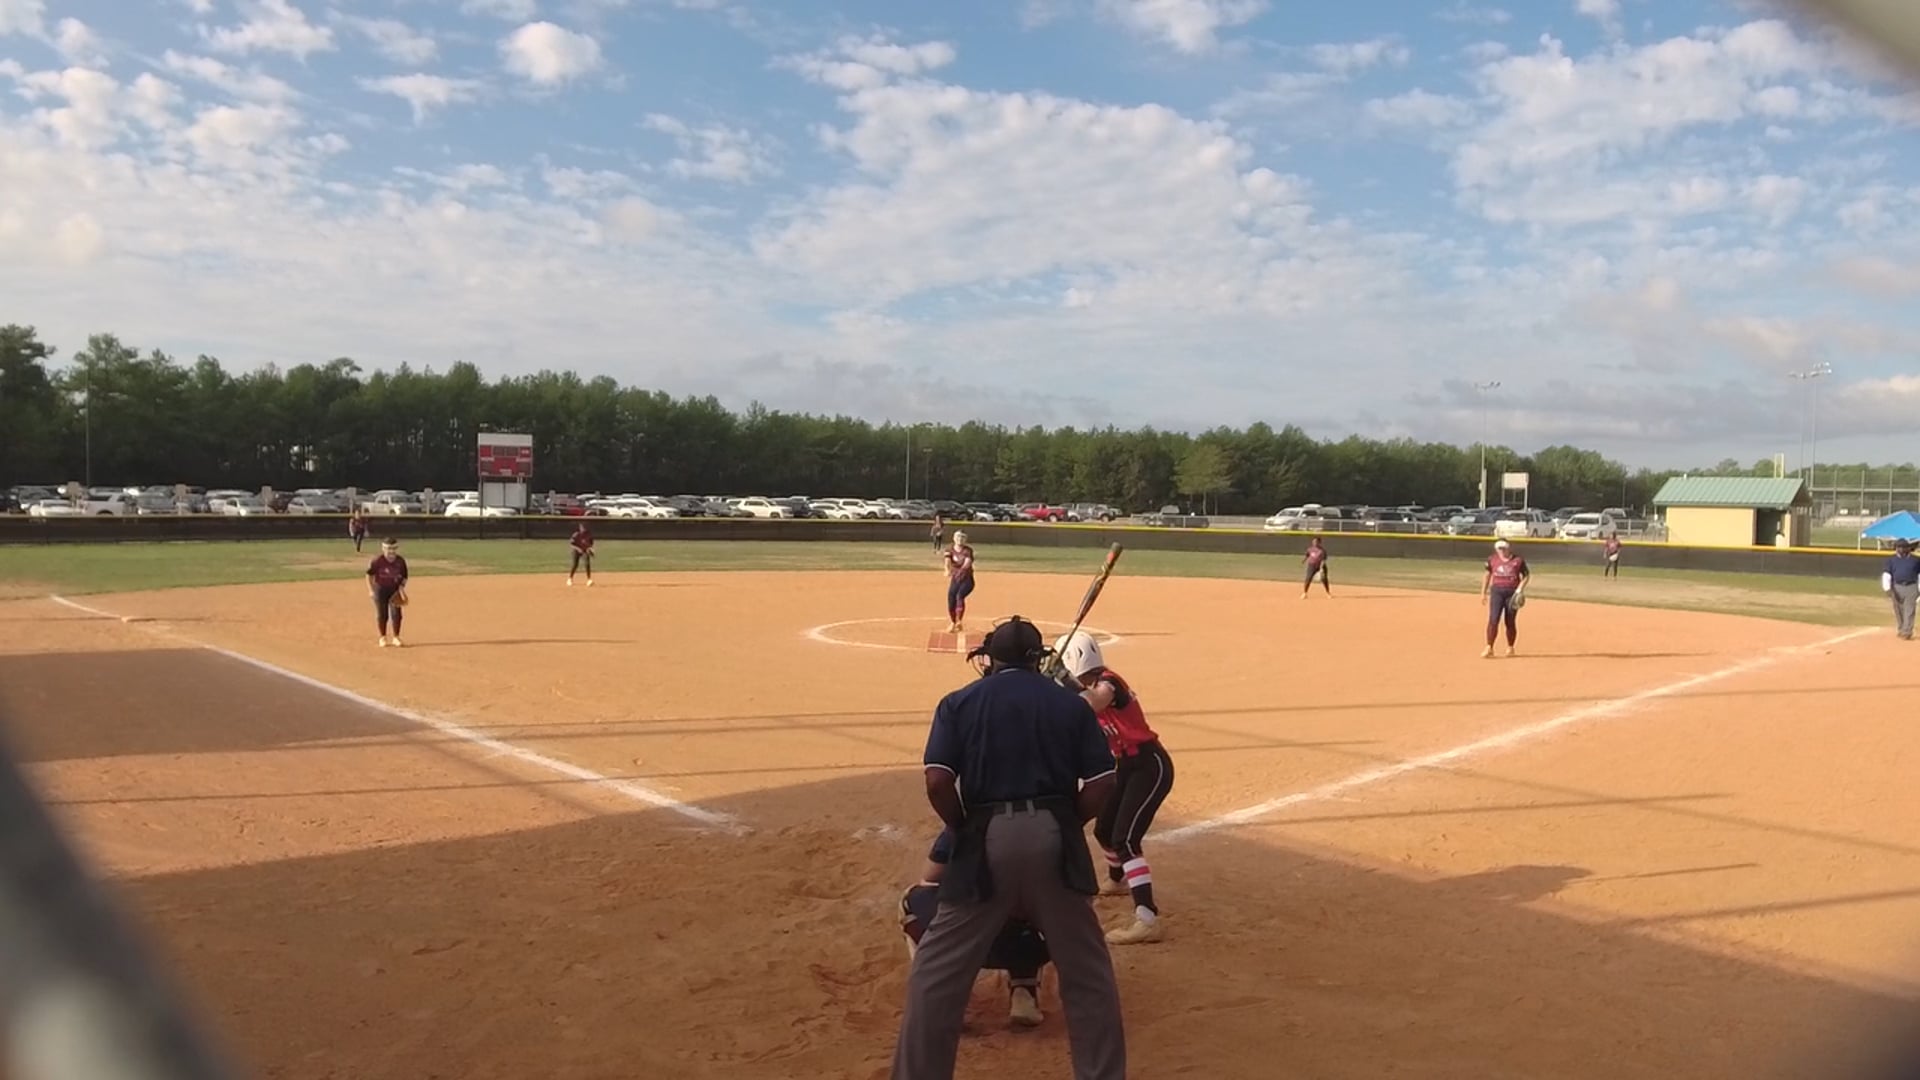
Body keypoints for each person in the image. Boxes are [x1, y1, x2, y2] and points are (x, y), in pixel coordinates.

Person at [889, 616, 1125, 1080]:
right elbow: (1103, 781)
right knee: (1088, 974)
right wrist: (1065, 823)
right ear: (1038, 660)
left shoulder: (958, 702)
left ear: (989, 659)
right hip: (1054, 836)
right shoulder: (1069, 705)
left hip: (985, 836)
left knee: (936, 975)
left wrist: (963, 830)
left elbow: (937, 782)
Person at [1055, 630, 1174, 946]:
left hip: (1150, 765)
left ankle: (1148, 919)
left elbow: (1093, 702)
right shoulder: (1089, 687)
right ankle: (1118, 880)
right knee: (1104, 829)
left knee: (1126, 840)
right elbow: (1077, 704)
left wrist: (1063, 679)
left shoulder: (1109, 682)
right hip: (1126, 766)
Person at [899, 829, 1050, 1028]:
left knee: (912, 899)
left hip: (966, 944)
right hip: (1028, 945)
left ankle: (944, 999)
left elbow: (930, 877)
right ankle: (1024, 992)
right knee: (1037, 906)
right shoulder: (1050, 823)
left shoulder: (971, 821)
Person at [1480, 538, 1530, 659]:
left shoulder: (1518, 560)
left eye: (1504, 548)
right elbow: (1487, 575)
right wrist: (1483, 592)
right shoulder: (1492, 559)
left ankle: (1510, 647)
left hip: (1512, 593)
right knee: (1493, 619)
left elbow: (1526, 576)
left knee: (1510, 621)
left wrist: (1519, 589)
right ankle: (1489, 647)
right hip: (1497, 592)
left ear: (1508, 548)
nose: (1502, 551)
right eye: (1499, 549)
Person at [366, 538, 409, 647]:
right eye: (388, 548)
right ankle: (383, 637)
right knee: (382, 614)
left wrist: (401, 588)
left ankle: (396, 637)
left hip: (394, 590)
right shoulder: (377, 560)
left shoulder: (400, 561)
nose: (391, 551)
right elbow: (369, 575)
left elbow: (404, 577)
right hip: (380, 590)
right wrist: (371, 590)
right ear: (383, 549)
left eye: (394, 548)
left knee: (397, 614)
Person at [1883, 538, 1919, 641]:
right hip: (1897, 586)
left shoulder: (1916, 560)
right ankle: (1901, 628)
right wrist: (1887, 589)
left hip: (1911, 586)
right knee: (1898, 609)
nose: (1901, 549)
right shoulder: (1891, 560)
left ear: (1908, 548)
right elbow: (1887, 574)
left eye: (1904, 547)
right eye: (1899, 547)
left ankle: (1907, 631)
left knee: (1909, 609)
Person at [942, 531, 975, 634]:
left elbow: (967, 563)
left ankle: (959, 621)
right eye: (958, 537)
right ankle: (953, 622)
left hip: (967, 580)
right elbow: (947, 561)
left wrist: (961, 571)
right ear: (953, 538)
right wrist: (947, 570)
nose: (960, 539)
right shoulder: (949, 549)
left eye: (962, 537)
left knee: (959, 596)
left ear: (965, 539)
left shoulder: (967, 550)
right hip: (955, 579)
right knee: (951, 600)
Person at [567, 521, 594, 586]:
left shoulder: (588, 534)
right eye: (582, 527)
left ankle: (589, 580)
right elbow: (572, 544)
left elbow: (590, 543)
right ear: (580, 527)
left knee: (587, 564)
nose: (584, 528)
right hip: (576, 550)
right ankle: (570, 579)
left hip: (584, 550)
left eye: (585, 527)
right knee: (575, 565)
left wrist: (590, 549)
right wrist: (578, 549)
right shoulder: (576, 534)